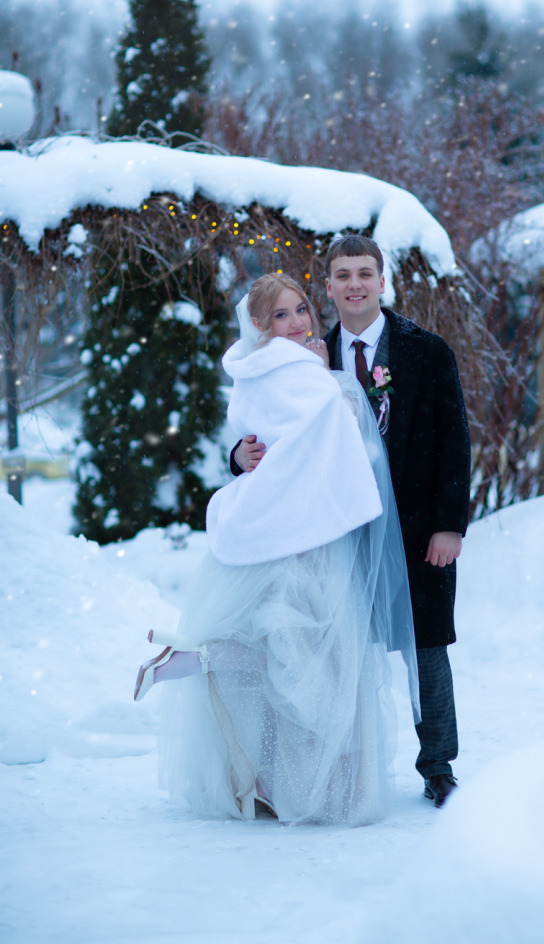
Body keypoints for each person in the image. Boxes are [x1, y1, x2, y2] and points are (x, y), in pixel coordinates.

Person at [134, 274, 419, 826]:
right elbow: (334, 429)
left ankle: (266, 775)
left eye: (301, 310)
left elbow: (270, 439)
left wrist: (244, 454)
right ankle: (316, 787)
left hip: (283, 522)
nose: (297, 323)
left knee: (283, 658)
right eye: (281, 316)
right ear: (261, 325)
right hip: (304, 535)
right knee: (311, 663)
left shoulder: (251, 371)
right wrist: (328, 379)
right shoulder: (297, 370)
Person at [232, 237, 471, 808]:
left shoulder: (426, 350)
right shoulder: (306, 353)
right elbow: (268, 432)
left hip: (414, 526)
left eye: (365, 273)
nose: (355, 285)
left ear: (382, 282)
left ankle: (438, 766)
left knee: (426, 647)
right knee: (335, 651)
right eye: (343, 275)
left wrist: (449, 525)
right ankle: (339, 773)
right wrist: (238, 457)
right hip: (334, 531)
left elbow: (454, 441)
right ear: (329, 286)